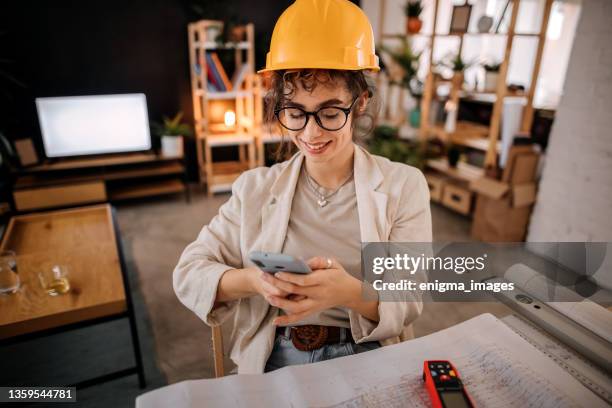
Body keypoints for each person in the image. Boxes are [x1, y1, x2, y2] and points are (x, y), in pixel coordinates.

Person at [173, 0, 432, 375]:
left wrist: (349, 292)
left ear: (359, 104)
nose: (311, 133)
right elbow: (188, 272)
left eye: (329, 113)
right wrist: (255, 282)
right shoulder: (254, 189)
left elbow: (409, 298)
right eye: (295, 113)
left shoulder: (404, 186)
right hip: (276, 355)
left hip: (364, 351)